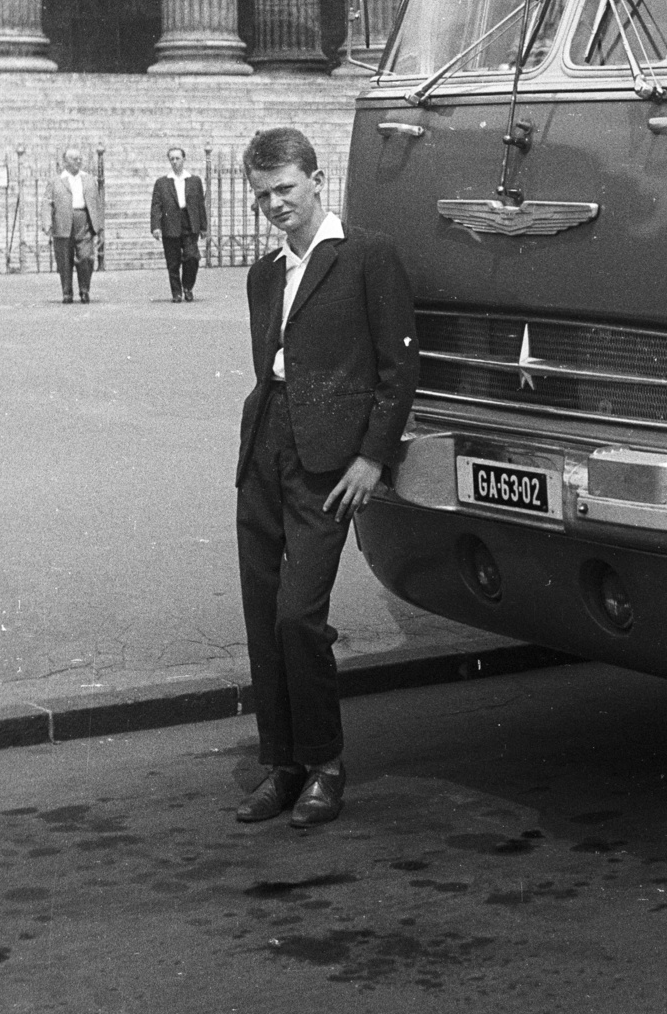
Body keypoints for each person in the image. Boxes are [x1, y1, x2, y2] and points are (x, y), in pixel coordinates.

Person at [234, 127, 418, 828]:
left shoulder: (366, 255)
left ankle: (325, 764)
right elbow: (274, 367)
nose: (275, 205)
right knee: (262, 613)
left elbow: (400, 367)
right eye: (262, 196)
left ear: (316, 179)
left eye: (285, 188)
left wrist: (373, 457)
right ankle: (280, 765)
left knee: (298, 614)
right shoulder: (263, 273)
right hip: (265, 448)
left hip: (332, 461)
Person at [43, 148, 103, 304]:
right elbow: (47, 203)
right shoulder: (56, 181)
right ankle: (67, 292)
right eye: (74, 158)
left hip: (84, 221)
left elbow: (97, 203)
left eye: (79, 158)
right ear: (65, 162)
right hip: (62, 222)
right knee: (64, 259)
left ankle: (84, 290)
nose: (78, 161)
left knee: (86, 257)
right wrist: (47, 223)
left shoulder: (89, 179)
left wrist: (99, 225)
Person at [150, 146, 207, 302]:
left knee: (192, 257)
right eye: (172, 159)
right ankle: (176, 292)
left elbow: (200, 204)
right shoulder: (162, 183)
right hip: (170, 223)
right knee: (173, 261)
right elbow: (156, 206)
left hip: (189, 222)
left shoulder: (194, 181)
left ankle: (187, 286)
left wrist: (203, 227)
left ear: (184, 159)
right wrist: (156, 226)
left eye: (178, 158)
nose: (175, 162)